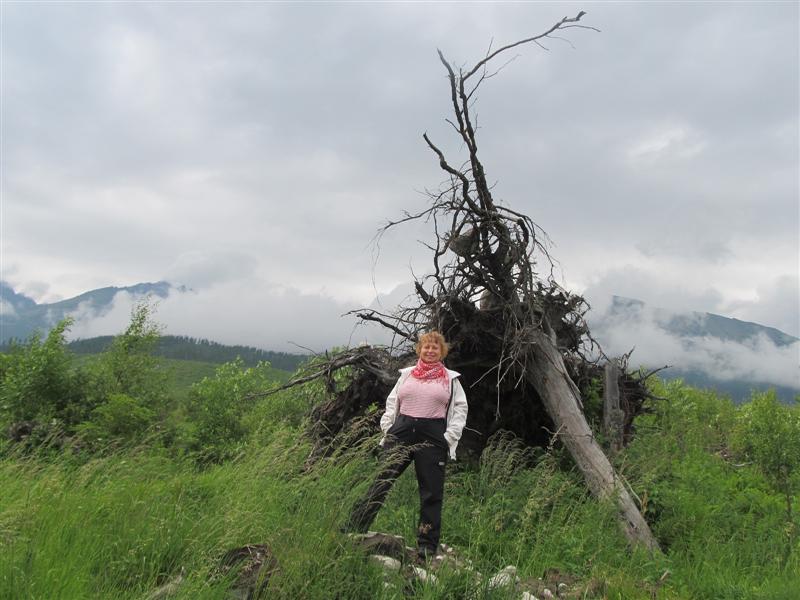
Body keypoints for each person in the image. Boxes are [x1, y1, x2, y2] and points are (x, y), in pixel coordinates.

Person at [345, 331, 468, 560]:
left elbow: (461, 409)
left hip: (433, 436)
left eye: (435, 347)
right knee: (381, 480)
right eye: (426, 347)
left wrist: (449, 437)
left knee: (431, 492)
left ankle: (426, 546)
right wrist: (388, 427)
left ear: (442, 352)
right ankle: (354, 527)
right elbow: (393, 401)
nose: (430, 350)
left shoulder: (451, 379)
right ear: (419, 349)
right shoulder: (407, 374)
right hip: (402, 430)